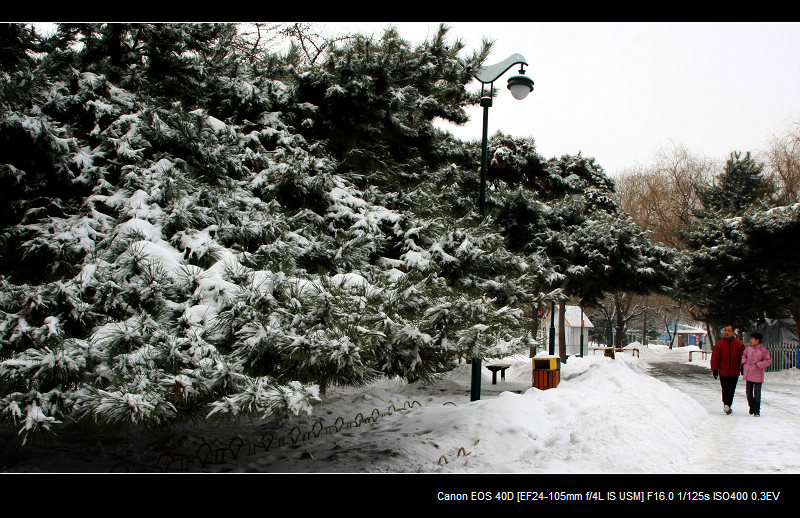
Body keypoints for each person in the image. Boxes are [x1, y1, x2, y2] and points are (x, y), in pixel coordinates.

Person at [710, 325, 745, 414]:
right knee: (725, 389)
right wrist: (715, 369)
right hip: (723, 371)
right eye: (725, 330)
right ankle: (726, 404)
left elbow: (743, 357)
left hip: (734, 371)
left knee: (732, 389)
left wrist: (743, 367)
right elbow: (715, 357)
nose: (727, 332)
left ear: (733, 332)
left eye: (729, 330)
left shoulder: (739, 344)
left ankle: (728, 405)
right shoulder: (720, 344)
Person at [741, 331, 771, 416]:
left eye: (752, 339)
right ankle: (752, 406)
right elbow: (743, 355)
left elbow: (768, 360)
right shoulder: (748, 349)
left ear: (757, 340)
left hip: (757, 374)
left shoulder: (763, 350)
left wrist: (758, 365)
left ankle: (757, 409)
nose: (751, 340)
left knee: (757, 393)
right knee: (748, 393)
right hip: (748, 373)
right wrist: (743, 361)